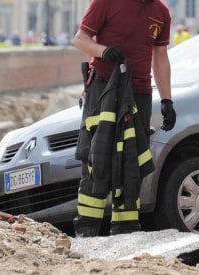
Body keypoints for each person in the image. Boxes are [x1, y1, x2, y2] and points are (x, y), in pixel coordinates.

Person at [71, 0, 177, 236]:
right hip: (103, 87)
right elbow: (80, 39)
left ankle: (126, 231)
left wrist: (167, 100)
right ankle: (87, 232)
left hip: (139, 93)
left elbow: (160, 55)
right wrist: (104, 51)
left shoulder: (161, 12)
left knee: (132, 162)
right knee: (96, 160)